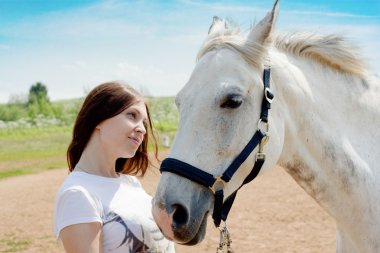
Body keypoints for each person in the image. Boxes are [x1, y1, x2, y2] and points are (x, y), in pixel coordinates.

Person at [54, 82, 175, 253]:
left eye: (144, 122)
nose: (142, 129)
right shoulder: (78, 194)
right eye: (132, 115)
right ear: (98, 119)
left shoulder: (131, 182)